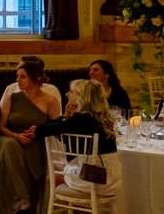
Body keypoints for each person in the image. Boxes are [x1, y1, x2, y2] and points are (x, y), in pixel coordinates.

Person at [0, 57, 62, 214]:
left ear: (35, 78)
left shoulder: (50, 100)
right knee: (9, 145)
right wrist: (16, 136)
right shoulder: (11, 97)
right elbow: (1, 126)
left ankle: (23, 199)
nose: (17, 80)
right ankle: (23, 199)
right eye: (17, 76)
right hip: (10, 136)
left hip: (35, 140)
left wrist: (39, 130)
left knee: (15, 150)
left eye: (22, 76)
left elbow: (57, 127)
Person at [35, 79, 121, 212]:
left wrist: (35, 130)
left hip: (93, 180)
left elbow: (45, 130)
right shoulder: (100, 117)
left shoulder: (81, 119)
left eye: (71, 92)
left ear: (80, 96)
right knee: (67, 167)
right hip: (112, 179)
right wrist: (66, 117)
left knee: (54, 174)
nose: (67, 94)